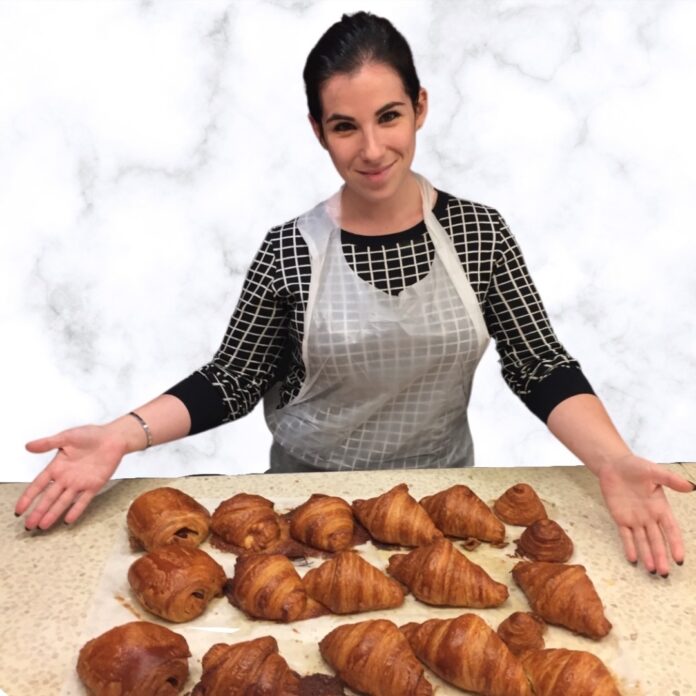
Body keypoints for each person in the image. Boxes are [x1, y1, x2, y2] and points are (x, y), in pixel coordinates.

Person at [15, 11, 691, 575]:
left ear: (420, 108)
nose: (371, 148)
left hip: (439, 509)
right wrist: (120, 436)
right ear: (319, 131)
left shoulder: (479, 235)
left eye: (389, 117)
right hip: (309, 513)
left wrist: (612, 460)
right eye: (345, 126)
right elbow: (233, 379)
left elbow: (538, 363)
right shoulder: (290, 250)